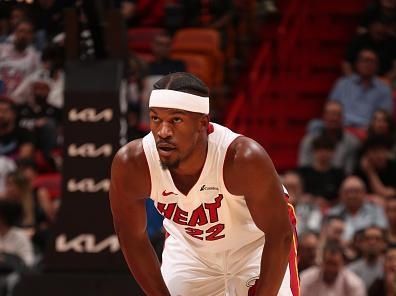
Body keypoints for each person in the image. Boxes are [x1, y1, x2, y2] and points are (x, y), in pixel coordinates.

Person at [109, 72, 299, 296]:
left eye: (176, 120)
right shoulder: (133, 163)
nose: (163, 132)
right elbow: (132, 238)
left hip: (255, 248)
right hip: (190, 252)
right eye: (155, 118)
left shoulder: (242, 159)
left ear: (202, 123)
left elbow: (279, 235)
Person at [329, 49, 393, 129]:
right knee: (314, 125)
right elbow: (330, 108)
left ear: (377, 66)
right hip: (340, 126)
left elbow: (385, 117)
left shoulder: (384, 90)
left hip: (366, 129)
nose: (367, 64)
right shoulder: (342, 84)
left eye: (371, 61)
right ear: (357, 64)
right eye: (364, 60)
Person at [298, 101, 360, 174]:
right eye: (330, 114)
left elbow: (349, 172)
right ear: (323, 116)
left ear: (343, 117)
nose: (333, 118)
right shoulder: (308, 141)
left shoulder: (352, 142)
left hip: (341, 181)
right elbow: (303, 169)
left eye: (337, 114)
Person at [326, 176, 387, 242]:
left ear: (364, 193)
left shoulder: (376, 211)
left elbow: (383, 233)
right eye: (347, 192)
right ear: (340, 194)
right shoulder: (332, 213)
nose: (352, 195)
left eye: (356, 191)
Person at [300, 241, 366, 296]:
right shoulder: (306, 278)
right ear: (321, 262)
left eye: (334, 264)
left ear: (342, 264)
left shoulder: (354, 283)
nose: (331, 268)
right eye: (328, 263)